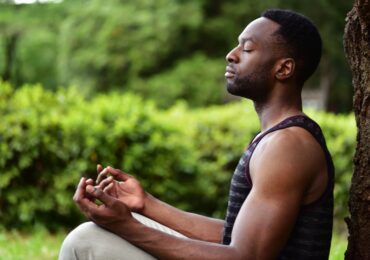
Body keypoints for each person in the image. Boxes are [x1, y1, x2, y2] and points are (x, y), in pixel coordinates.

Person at [59, 9, 334, 260]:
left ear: (283, 69)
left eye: (247, 48)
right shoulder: (278, 138)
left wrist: (126, 225)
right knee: (101, 233)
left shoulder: (288, 146)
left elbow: (245, 256)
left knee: (86, 241)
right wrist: (145, 204)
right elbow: (235, 235)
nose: (232, 54)